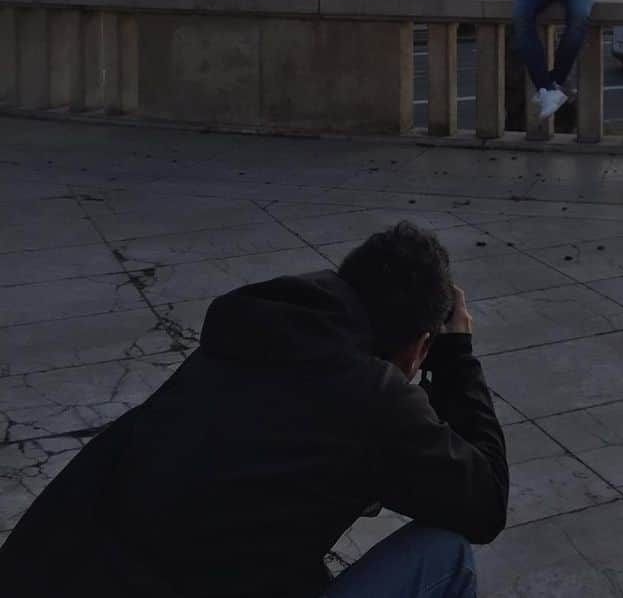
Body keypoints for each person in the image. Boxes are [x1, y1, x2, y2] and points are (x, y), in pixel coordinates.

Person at [0, 222, 508, 598]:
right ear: (418, 346)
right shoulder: (371, 395)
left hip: (68, 569)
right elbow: (484, 506)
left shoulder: (247, 333)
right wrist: (457, 358)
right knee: (447, 551)